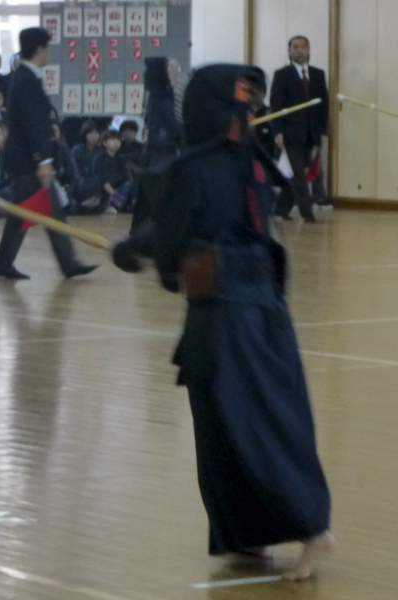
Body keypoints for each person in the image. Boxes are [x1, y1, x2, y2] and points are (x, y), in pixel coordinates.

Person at [138, 63, 334, 580]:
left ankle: (312, 528)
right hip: (264, 309)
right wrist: (144, 246)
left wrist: (141, 251)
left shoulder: (194, 168)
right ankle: (249, 533)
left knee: (252, 424)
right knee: (238, 423)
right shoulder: (251, 159)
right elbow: (212, 222)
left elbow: (172, 242)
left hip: (225, 319)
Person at [0, 27, 97, 280]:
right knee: (28, 211)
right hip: (28, 160)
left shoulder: (24, 77)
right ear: (40, 49)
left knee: (43, 209)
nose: (50, 52)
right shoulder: (27, 80)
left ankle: (66, 263)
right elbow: (34, 125)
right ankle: (64, 263)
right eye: (48, 48)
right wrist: (44, 160)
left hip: (25, 158)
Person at [270, 35, 329, 222]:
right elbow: (276, 105)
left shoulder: (318, 74)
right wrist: (278, 132)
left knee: (298, 174)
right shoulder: (282, 75)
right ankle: (307, 212)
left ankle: (280, 209)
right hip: (291, 133)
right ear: (290, 51)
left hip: (312, 134)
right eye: (295, 47)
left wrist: (324, 132)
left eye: (303, 47)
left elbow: (324, 105)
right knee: (298, 175)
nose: (299, 50)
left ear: (309, 50)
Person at [143, 57, 182, 168]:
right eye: (170, 70)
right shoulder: (162, 96)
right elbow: (172, 122)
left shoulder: (153, 94)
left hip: (156, 143)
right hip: (165, 145)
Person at [92, 130, 132, 214]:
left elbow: (127, 177)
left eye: (118, 140)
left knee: (129, 184)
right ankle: (112, 205)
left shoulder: (121, 160)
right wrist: (113, 193)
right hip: (104, 191)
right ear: (105, 143)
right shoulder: (99, 158)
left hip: (119, 190)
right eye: (112, 140)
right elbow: (100, 179)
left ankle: (116, 205)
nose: (116, 143)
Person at [69, 119, 103, 213]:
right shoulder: (77, 150)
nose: (94, 136)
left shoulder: (101, 151)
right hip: (80, 182)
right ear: (85, 134)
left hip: (96, 183)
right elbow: (74, 170)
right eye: (90, 133)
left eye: (96, 133)